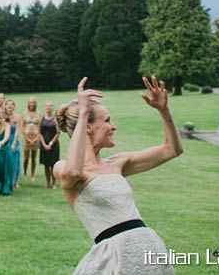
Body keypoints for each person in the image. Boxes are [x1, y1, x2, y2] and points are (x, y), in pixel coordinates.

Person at [54, 77, 182, 274]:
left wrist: (164, 111)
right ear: (88, 127)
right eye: (107, 121)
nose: (113, 126)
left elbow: (172, 149)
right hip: (115, 258)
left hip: (149, 249)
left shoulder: (118, 162)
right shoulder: (64, 168)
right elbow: (74, 172)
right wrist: (83, 114)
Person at [39, 101, 60, 189]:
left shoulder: (56, 119)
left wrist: (50, 143)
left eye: (50, 106)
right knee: (46, 165)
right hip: (44, 144)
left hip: (54, 145)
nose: (48, 107)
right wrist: (44, 144)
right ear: (45, 107)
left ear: (52, 108)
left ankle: (54, 183)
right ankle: (48, 182)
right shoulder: (42, 119)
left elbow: (58, 133)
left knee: (53, 165)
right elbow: (39, 133)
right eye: (47, 106)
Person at [21, 96, 41, 182]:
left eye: (33, 102)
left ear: (35, 104)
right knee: (26, 157)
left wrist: (37, 137)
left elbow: (40, 127)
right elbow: (22, 126)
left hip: (36, 138)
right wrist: (26, 137)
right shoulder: (24, 113)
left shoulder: (39, 114)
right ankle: (25, 173)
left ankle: (32, 174)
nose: (32, 104)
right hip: (26, 138)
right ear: (28, 103)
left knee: (34, 157)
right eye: (30, 102)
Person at [4, 99, 21, 189]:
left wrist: (14, 142)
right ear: (5, 106)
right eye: (8, 104)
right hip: (5, 140)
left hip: (14, 139)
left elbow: (17, 131)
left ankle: (16, 181)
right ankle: (6, 179)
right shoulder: (3, 116)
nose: (10, 106)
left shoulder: (17, 117)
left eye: (11, 104)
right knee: (6, 161)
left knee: (16, 161)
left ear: (14, 106)